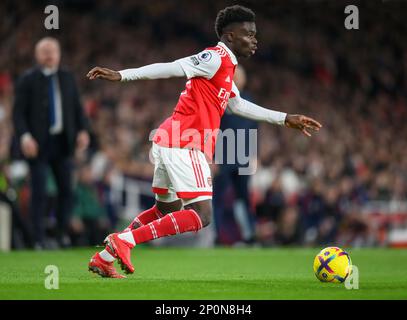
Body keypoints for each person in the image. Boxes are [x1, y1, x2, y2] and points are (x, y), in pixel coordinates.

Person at [86, 5, 322, 278]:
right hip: (184, 143)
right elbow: (172, 67)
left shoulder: (228, 70)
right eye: (248, 34)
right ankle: (125, 241)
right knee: (202, 214)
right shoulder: (215, 56)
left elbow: (237, 106)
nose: (254, 40)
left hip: (169, 140)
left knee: (166, 209)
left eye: (255, 34)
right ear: (230, 36)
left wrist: (284, 118)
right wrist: (124, 74)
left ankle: (104, 258)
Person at [12, 37, 90, 249]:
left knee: (67, 190)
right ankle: (37, 239)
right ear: (37, 55)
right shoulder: (28, 79)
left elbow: (77, 108)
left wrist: (83, 130)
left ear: (59, 53)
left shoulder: (67, 77)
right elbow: (18, 114)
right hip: (37, 144)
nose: (49, 54)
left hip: (62, 143)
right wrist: (25, 137)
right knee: (38, 191)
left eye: (52, 50)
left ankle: (61, 234)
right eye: (44, 50)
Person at [213, 65, 258, 245]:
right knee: (219, 198)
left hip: (244, 157)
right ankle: (216, 236)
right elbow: (212, 127)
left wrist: (255, 155)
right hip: (222, 156)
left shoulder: (249, 100)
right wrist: (212, 156)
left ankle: (249, 236)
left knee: (243, 198)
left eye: (240, 76)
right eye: (235, 76)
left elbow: (254, 129)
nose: (238, 79)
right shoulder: (220, 98)